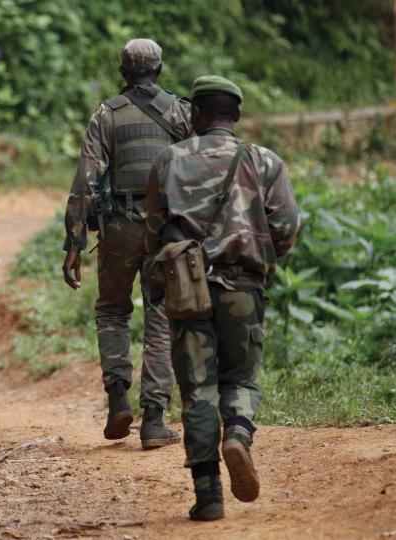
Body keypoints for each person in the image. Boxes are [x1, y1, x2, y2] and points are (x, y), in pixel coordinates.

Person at [145, 76, 302, 521]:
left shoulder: (169, 160)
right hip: (244, 288)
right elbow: (287, 227)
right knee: (241, 379)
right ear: (236, 116)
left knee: (197, 390)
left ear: (195, 114)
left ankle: (208, 494)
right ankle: (238, 433)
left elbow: (153, 227)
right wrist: (260, 258)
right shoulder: (264, 160)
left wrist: (164, 267)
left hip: (187, 289)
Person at [62, 39, 191, 449]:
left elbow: (86, 180)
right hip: (165, 229)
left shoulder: (107, 113)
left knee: (113, 312)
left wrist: (74, 242)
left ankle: (118, 398)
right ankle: (153, 420)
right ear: (159, 68)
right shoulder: (180, 111)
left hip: (119, 226)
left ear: (123, 70)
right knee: (161, 317)